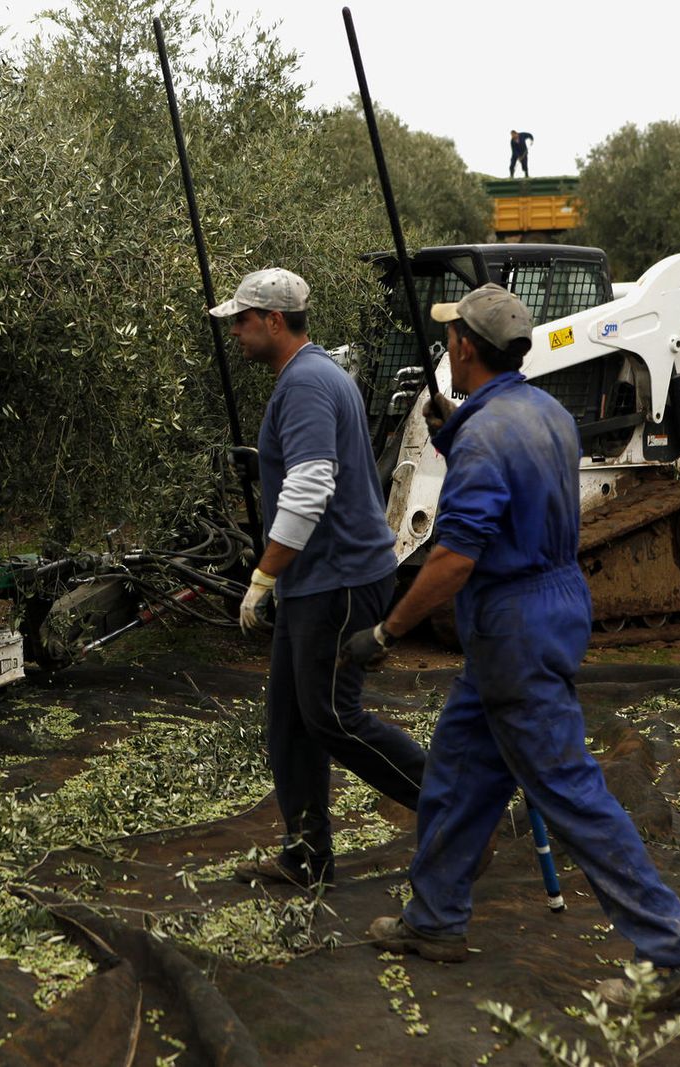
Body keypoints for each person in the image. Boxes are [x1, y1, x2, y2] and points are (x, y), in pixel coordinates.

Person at [341, 283, 680, 1010]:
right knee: (456, 768)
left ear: (462, 349)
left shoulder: (487, 434)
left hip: (513, 622)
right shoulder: (543, 412)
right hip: (544, 603)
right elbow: (515, 476)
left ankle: (677, 955)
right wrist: (458, 424)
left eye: (452, 337)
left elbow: (454, 556)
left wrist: (388, 629)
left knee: (569, 789)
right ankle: (435, 918)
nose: (447, 344)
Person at [209, 267, 427, 890]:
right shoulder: (319, 374)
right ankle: (307, 855)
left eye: (243, 322)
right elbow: (311, 469)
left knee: (332, 715)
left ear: (273, 321)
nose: (237, 334)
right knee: (291, 719)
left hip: (338, 578)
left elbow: (310, 488)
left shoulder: (305, 383)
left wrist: (262, 575)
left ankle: (459, 809)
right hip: (322, 577)